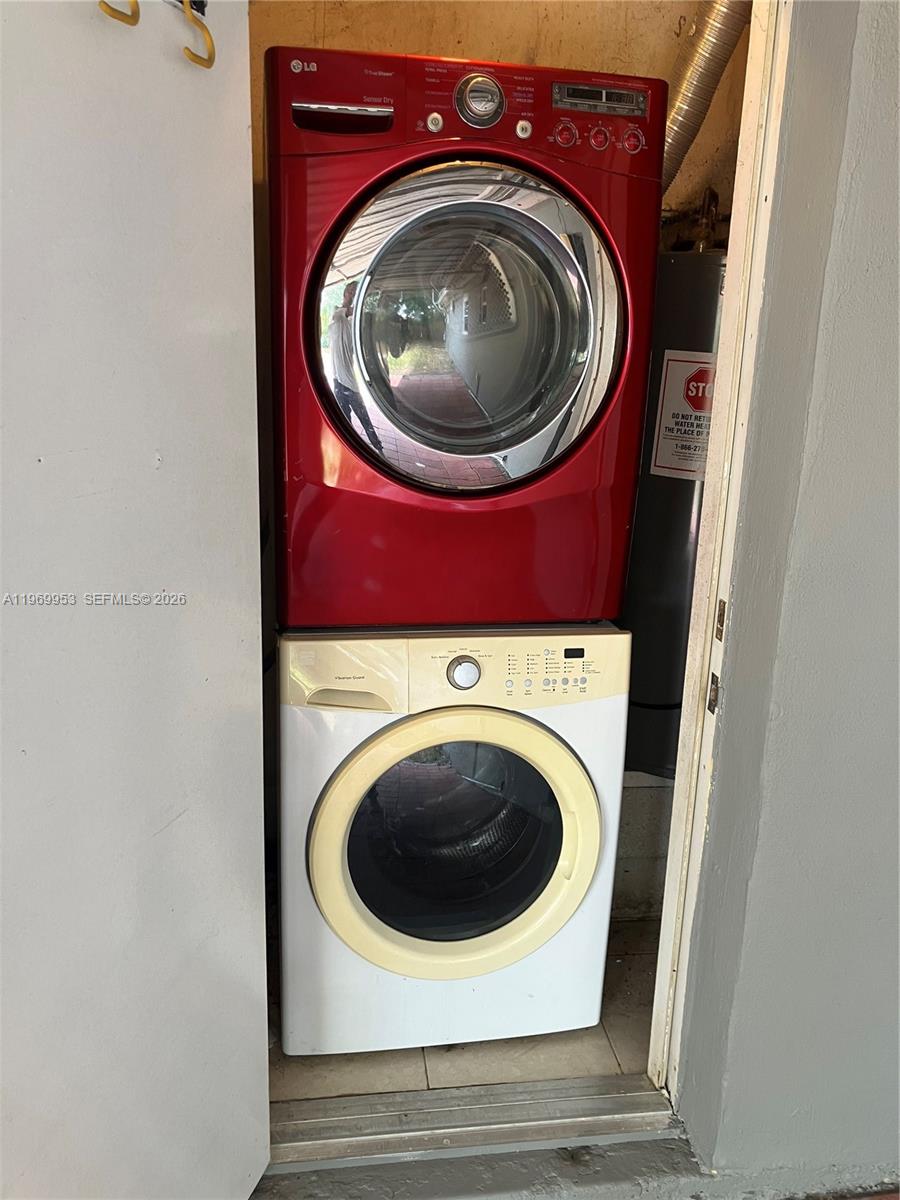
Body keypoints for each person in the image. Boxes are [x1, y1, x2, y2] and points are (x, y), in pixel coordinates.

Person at [329, 282, 383, 453]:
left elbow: (359, 316)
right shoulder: (337, 314)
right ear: (345, 293)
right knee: (345, 424)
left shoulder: (352, 323)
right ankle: (350, 451)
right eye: (350, 291)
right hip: (337, 382)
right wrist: (358, 298)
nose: (352, 295)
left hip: (350, 384)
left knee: (365, 420)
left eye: (355, 292)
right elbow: (347, 311)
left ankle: (378, 448)